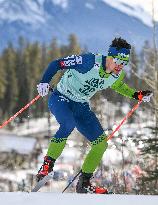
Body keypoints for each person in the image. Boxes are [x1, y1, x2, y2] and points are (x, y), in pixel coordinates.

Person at [36, 37, 153, 194]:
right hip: (61, 98)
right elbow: (57, 64)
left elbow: (118, 86)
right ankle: (47, 166)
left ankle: (84, 183)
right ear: (110, 56)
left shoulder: (115, 75)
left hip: (81, 106)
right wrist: (44, 81)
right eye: (118, 61)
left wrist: (136, 95)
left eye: (124, 62)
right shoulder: (88, 61)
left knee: (101, 144)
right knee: (68, 124)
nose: (120, 66)